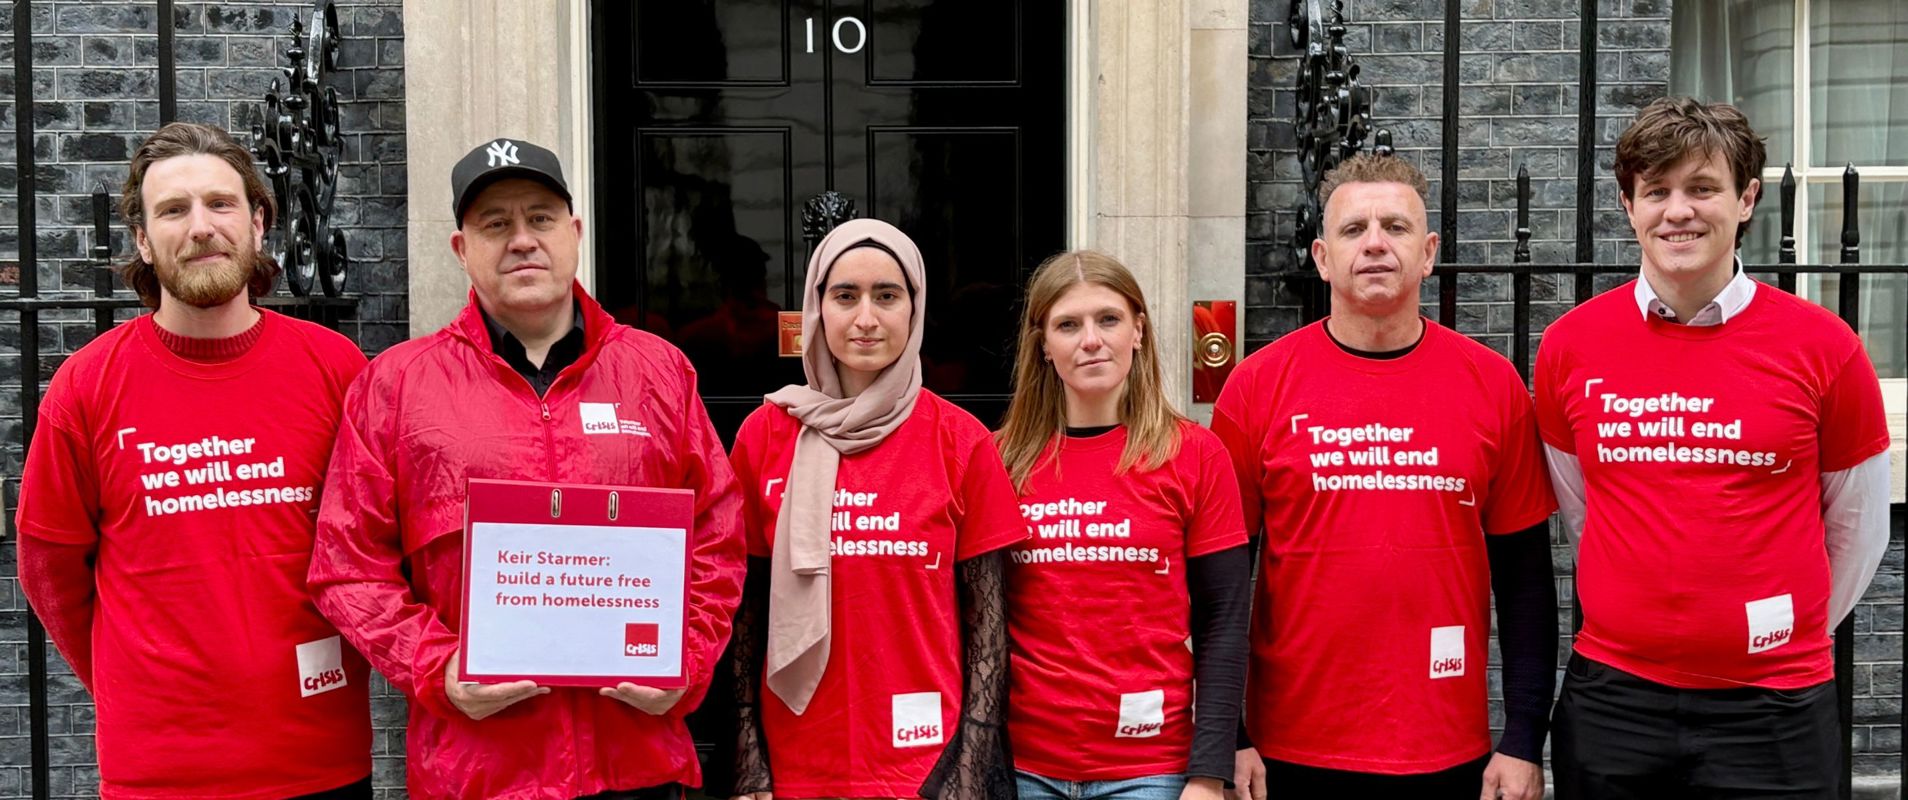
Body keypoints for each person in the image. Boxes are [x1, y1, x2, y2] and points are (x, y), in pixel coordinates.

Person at [307, 137, 746, 799]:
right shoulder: (395, 386)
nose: (521, 240)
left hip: (636, 762)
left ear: (574, 234)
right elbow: (348, 566)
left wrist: (687, 658)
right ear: (462, 249)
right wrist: (436, 666)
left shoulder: (658, 371)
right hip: (478, 772)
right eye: (495, 224)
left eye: (540, 218)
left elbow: (717, 534)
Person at [1536, 97, 1892, 798]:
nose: (1679, 211)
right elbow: (1582, 511)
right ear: (1628, 205)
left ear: (1747, 199)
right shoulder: (1570, 347)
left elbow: (1858, 527)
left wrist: (1771, 630)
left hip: (1775, 707)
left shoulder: (1825, 347)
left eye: (1702, 188)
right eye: (1657, 191)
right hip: (1614, 701)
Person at [14, 121, 372, 799]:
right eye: (174, 210)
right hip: (158, 772)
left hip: (319, 757)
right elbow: (48, 569)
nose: (201, 227)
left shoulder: (336, 369)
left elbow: (376, 547)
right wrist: (132, 680)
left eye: (221, 203)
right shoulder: (86, 387)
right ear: (144, 241)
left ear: (258, 224)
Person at [1212, 152, 1559, 800]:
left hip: (1446, 749)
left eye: (1395, 227)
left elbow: (1526, 583)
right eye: (1354, 229)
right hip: (1289, 749)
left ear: (1428, 253)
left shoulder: (1493, 385)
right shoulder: (1256, 388)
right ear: (1322, 258)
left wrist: (1522, 740)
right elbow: (1222, 586)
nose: (1375, 243)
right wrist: (1226, 736)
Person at [718, 219, 1026, 800]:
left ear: (915, 309)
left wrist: (968, 770)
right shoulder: (763, 435)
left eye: (887, 296)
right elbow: (744, 609)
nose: (866, 318)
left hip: (924, 764)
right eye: (845, 296)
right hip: (795, 763)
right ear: (817, 309)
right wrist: (748, 759)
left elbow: (988, 623)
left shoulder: (962, 440)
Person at [992, 251, 1251, 800]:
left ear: (1138, 331)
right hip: (1023, 766)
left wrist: (1209, 773)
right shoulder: (999, 461)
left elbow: (1223, 621)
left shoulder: (1196, 455)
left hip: (1151, 768)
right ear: (1043, 345)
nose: (1091, 340)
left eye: (1108, 319)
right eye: (1068, 325)